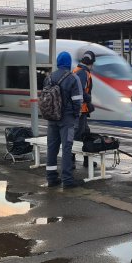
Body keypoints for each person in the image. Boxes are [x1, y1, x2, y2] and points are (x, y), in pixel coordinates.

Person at [44, 51, 83, 188]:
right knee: (67, 148)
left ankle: (51, 177)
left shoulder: (49, 77)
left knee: (51, 147)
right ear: (69, 63)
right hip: (67, 119)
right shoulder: (73, 78)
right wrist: (76, 116)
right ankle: (67, 180)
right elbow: (77, 101)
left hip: (52, 118)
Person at [72, 50, 95, 168]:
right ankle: (71, 159)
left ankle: (87, 159)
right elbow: (79, 90)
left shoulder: (77, 70)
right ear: (91, 63)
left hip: (81, 108)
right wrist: (88, 99)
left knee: (86, 133)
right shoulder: (83, 73)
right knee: (78, 134)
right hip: (80, 109)